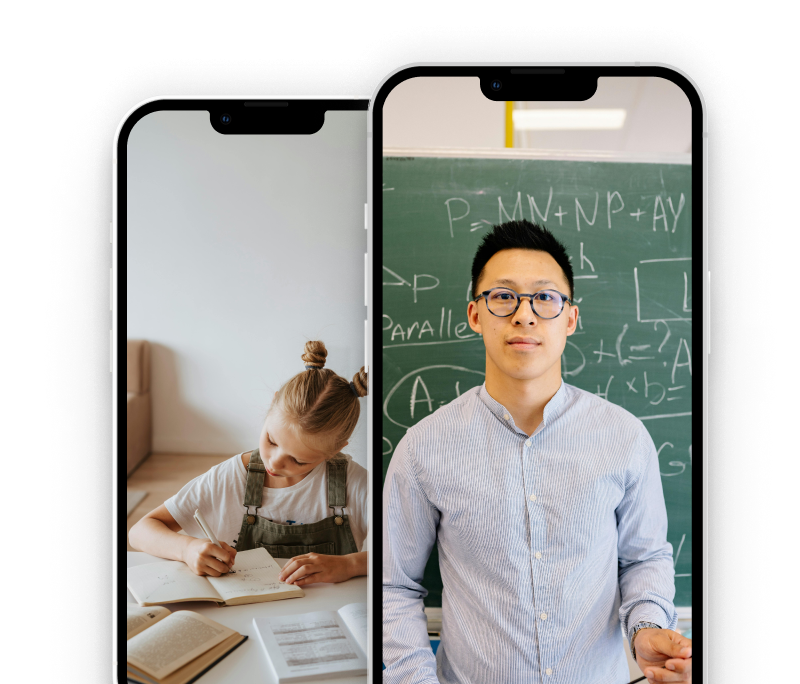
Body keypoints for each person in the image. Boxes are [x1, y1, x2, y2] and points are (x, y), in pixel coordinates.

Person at [383, 219, 692, 683]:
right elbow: (394, 585)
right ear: (475, 315)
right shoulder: (424, 448)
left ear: (569, 318)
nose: (524, 315)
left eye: (545, 297)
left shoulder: (624, 437)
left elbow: (645, 558)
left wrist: (646, 629)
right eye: (503, 296)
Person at [129, 340, 368, 587]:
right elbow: (140, 532)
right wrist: (187, 549)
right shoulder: (228, 478)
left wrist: (350, 564)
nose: (274, 462)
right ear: (272, 404)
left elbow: (407, 557)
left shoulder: (357, 484)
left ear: (335, 449)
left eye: (298, 460)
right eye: (271, 441)